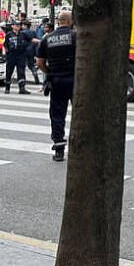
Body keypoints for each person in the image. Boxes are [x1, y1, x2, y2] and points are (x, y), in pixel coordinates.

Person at [37, 11, 76, 161]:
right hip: (74, 79)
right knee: (79, 113)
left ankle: (59, 148)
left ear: (59, 22)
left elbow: (39, 63)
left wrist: (50, 72)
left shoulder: (47, 39)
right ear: (70, 20)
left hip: (57, 80)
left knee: (57, 114)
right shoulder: (75, 37)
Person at [2, 22, 32, 94]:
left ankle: (22, 88)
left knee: (21, 71)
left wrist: (41, 42)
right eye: (16, 25)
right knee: (9, 71)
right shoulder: (9, 35)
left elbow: (31, 40)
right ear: (12, 26)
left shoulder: (23, 34)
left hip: (20, 55)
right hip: (11, 55)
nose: (18, 26)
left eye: (19, 25)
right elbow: (5, 45)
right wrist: (4, 54)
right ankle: (7, 88)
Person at [20, 19, 41, 84]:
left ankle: (23, 79)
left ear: (25, 26)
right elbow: (36, 40)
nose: (22, 26)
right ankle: (35, 73)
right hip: (31, 50)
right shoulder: (33, 32)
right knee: (31, 64)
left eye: (23, 25)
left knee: (22, 65)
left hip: (24, 50)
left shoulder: (22, 33)